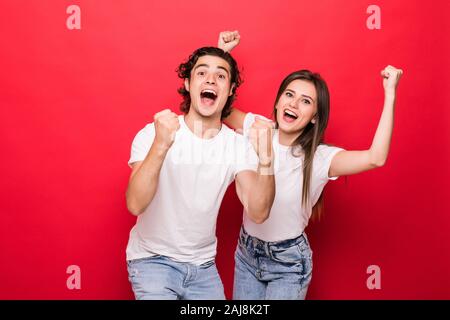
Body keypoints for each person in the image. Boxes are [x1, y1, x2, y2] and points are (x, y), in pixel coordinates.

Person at [218, 30, 403, 300]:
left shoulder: (319, 158)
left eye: (305, 101)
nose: (293, 103)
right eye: (289, 95)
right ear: (279, 100)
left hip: (288, 263)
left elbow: (376, 157)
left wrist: (390, 94)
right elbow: (216, 103)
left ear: (315, 117)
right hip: (247, 253)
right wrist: (223, 54)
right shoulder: (259, 128)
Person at [125, 46, 276, 300]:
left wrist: (267, 158)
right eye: (201, 73)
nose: (210, 79)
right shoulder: (155, 132)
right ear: (188, 83)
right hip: (152, 261)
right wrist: (160, 146)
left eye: (220, 76)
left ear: (229, 92)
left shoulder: (237, 146)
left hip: (203, 270)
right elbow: (135, 204)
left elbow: (259, 211)